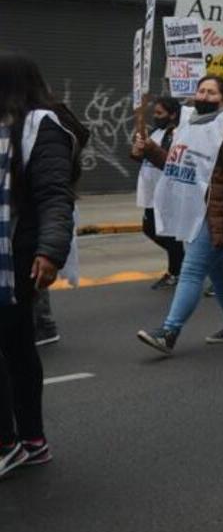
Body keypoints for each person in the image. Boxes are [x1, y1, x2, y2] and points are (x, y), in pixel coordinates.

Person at [0, 53, 77, 477]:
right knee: (16, 347)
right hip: (9, 256)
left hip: (17, 257)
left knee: (13, 348)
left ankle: (9, 442)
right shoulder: (7, 126)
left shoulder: (39, 126)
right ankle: (31, 440)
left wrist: (49, 251)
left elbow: (53, 194)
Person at [136, 75, 223, 355]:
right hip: (191, 210)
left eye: (212, 93)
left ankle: (169, 331)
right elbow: (176, 164)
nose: (204, 97)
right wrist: (151, 150)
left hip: (214, 215)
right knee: (220, 271)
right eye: (201, 91)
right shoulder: (189, 127)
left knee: (191, 271)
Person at [132, 96, 185, 290]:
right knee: (152, 228)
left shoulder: (176, 134)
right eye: (154, 113)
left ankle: (176, 269)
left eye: (159, 113)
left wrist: (148, 149)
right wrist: (137, 150)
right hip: (150, 189)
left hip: (166, 190)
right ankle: (178, 266)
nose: (155, 117)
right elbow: (142, 156)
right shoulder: (155, 132)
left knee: (166, 232)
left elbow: (167, 160)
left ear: (172, 114)